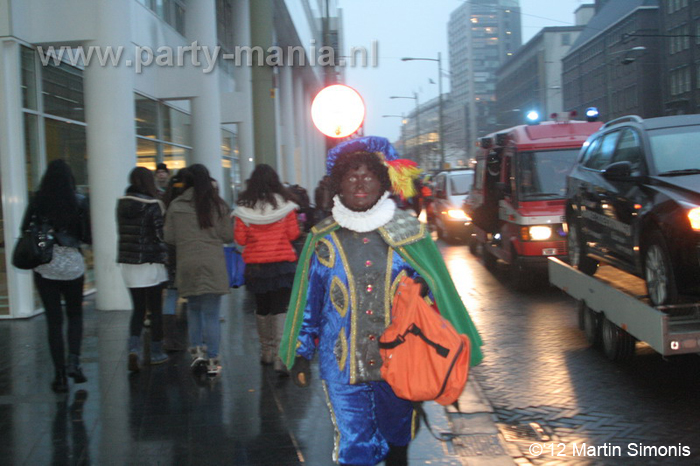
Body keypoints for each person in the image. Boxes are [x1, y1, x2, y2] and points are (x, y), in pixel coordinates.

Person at [279, 136, 483, 466]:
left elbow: (439, 294)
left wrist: (424, 288)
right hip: (342, 364)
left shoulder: (409, 233)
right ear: (339, 186)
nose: (360, 183)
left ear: (383, 183)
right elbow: (309, 304)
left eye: (368, 176)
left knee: (397, 440)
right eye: (351, 177)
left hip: (401, 361)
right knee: (354, 445)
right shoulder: (322, 238)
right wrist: (301, 352)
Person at [20, 160, 91, 393]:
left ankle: (59, 375)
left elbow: (24, 230)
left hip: (45, 266)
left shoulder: (38, 201)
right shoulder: (79, 201)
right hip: (72, 266)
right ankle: (74, 362)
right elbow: (88, 236)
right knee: (75, 316)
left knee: (54, 321)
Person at [164, 164, 233, 377]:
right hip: (212, 263)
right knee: (212, 314)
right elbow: (228, 236)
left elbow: (169, 237)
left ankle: (197, 354)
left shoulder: (176, 205)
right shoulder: (218, 205)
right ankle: (213, 361)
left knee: (193, 309)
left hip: (187, 263)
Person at [232, 164, 300, 374]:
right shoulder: (286, 206)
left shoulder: (244, 208)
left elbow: (240, 239)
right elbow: (293, 235)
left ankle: (266, 351)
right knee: (280, 308)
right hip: (282, 265)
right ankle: (281, 355)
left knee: (262, 307)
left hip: (257, 266)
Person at [117, 167, 170, 372]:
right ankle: (156, 352)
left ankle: (133, 349)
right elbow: (159, 236)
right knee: (155, 310)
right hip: (150, 264)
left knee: (138, 310)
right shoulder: (153, 205)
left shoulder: (121, 204)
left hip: (128, 263)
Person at [160, 167, 190, 352]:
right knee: (194, 296)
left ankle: (168, 337)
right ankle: (197, 339)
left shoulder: (165, 204)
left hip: (169, 254)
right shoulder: (188, 205)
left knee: (171, 295)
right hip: (188, 253)